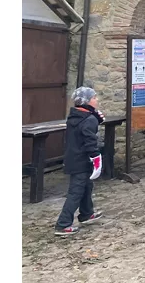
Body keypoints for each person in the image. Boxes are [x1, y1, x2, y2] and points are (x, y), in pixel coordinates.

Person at [54, 86, 105, 236]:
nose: (97, 100)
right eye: (94, 98)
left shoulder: (76, 116)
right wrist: (96, 157)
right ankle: (63, 224)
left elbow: (82, 131)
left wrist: (95, 119)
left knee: (86, 187)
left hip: (73, 158)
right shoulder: (88, 119)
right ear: (87, 101)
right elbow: (90, 141)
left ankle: (86, 213)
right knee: (75, 192)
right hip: (81, 161)